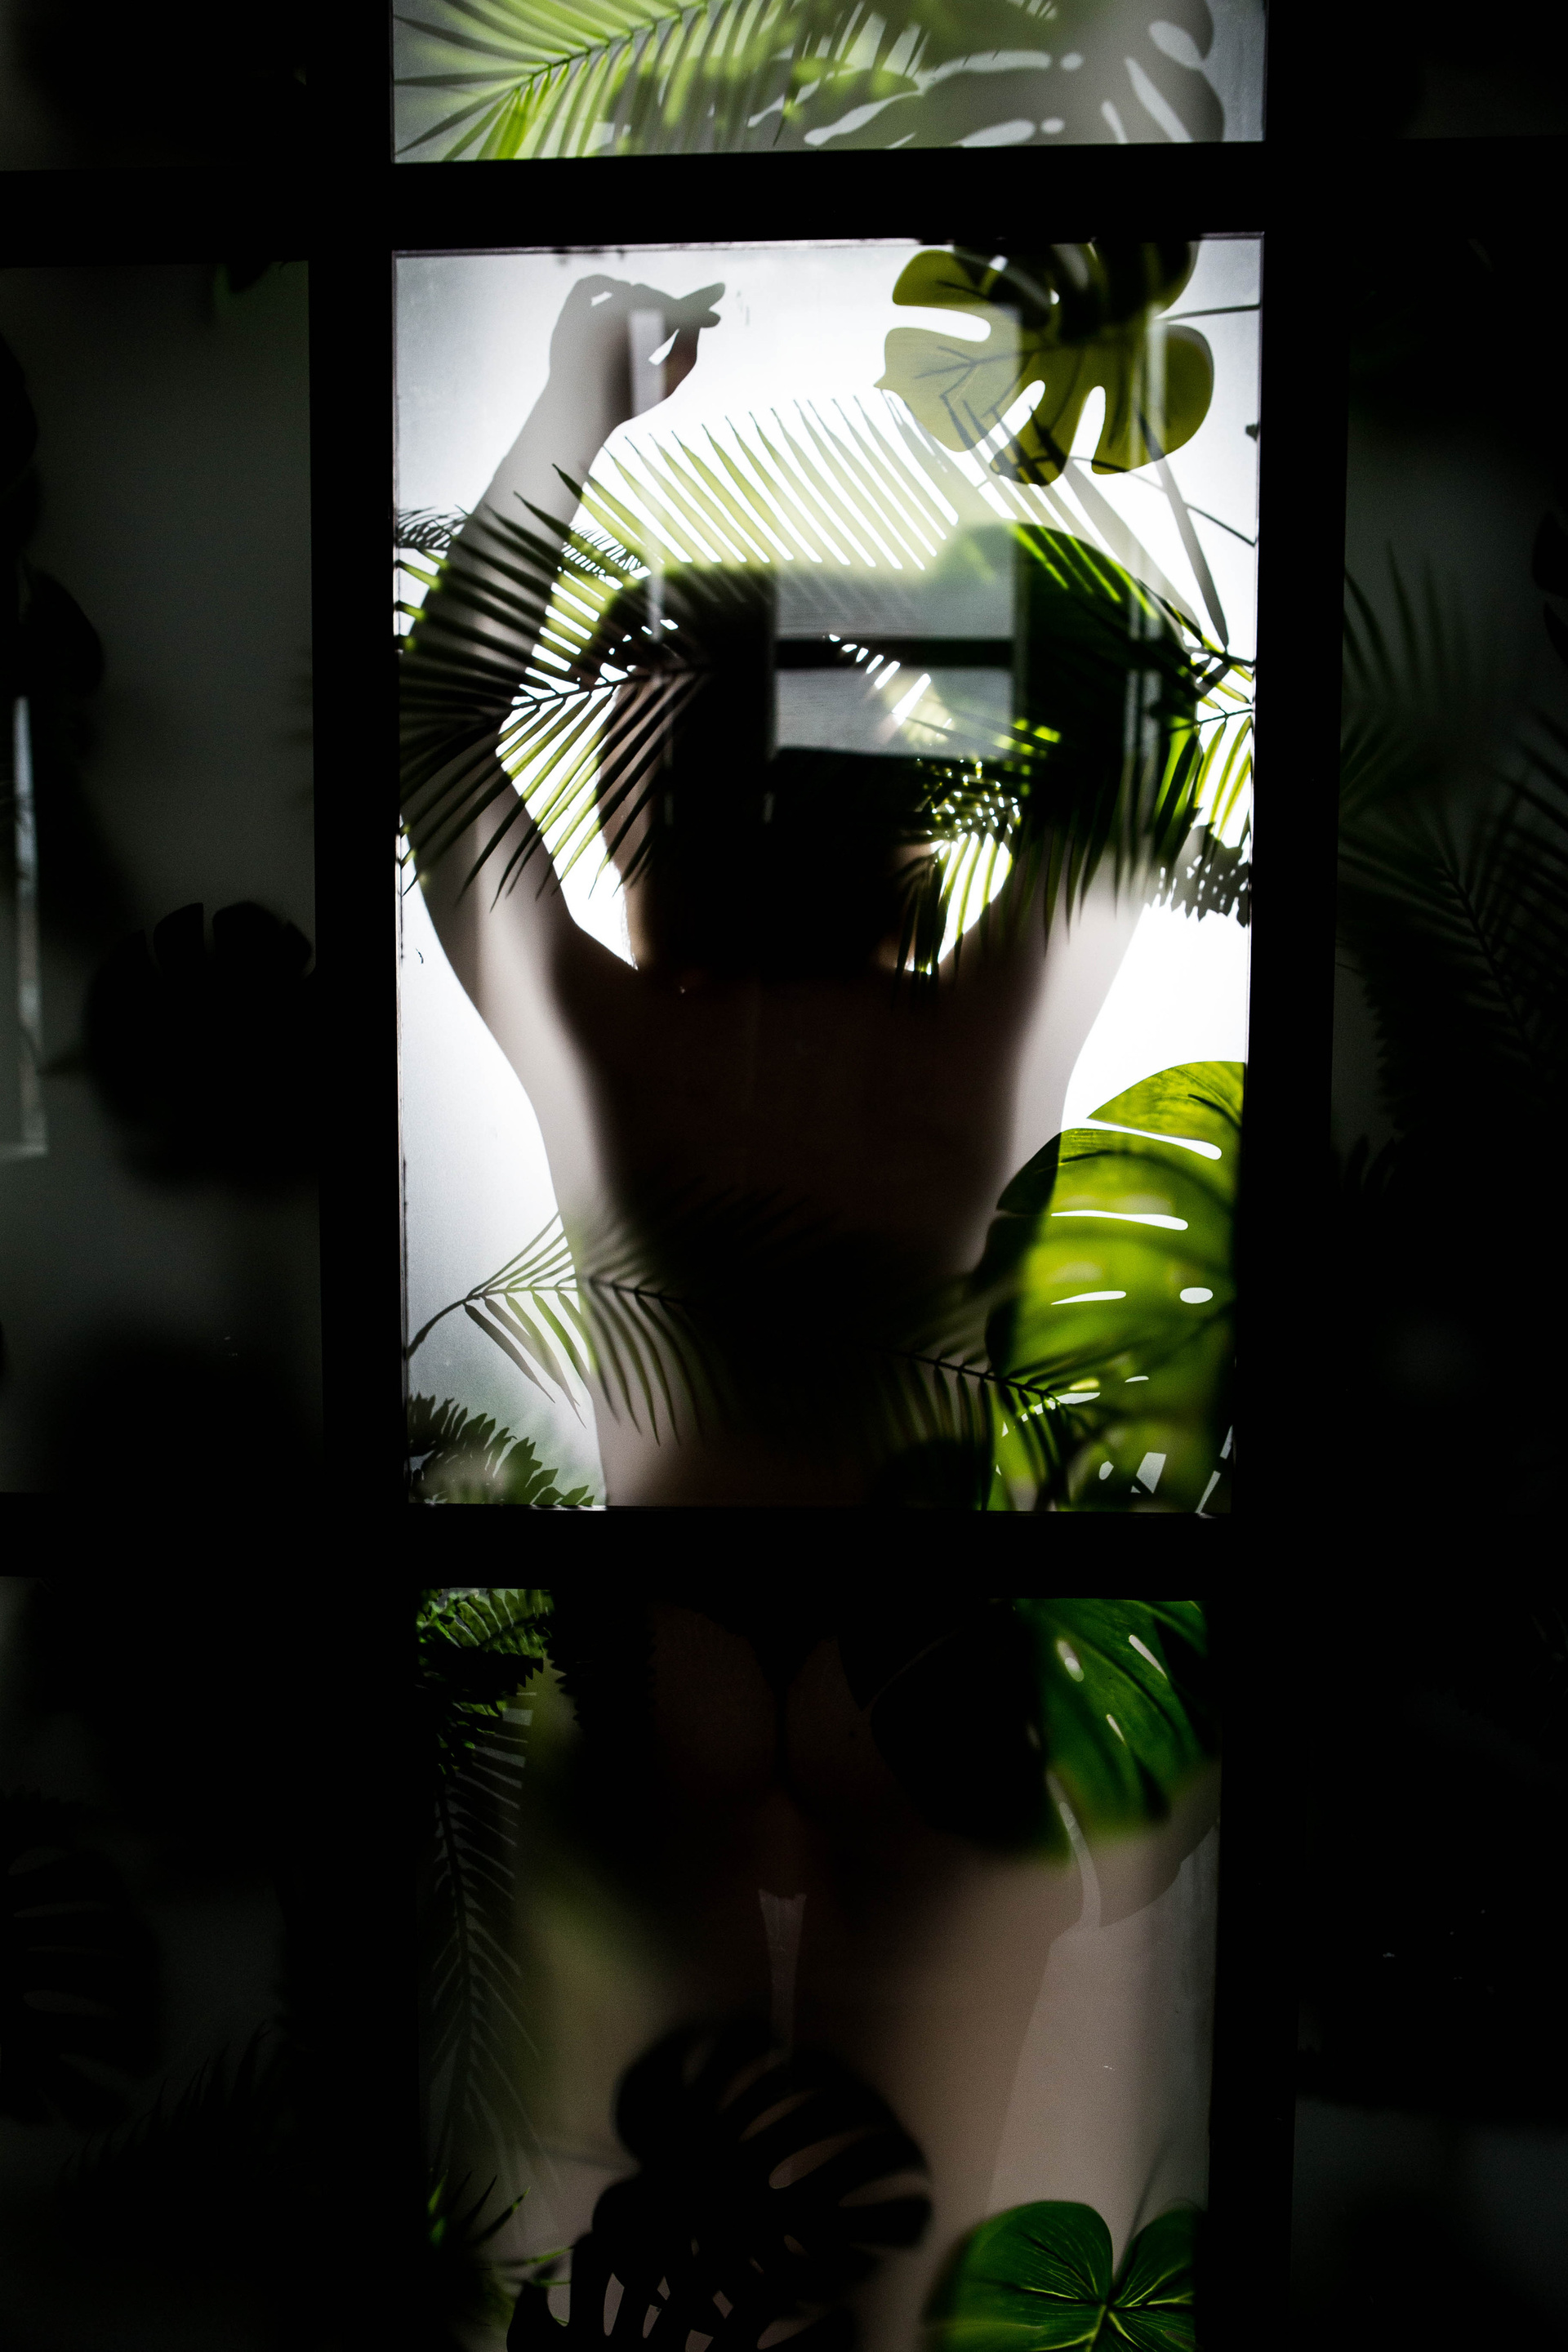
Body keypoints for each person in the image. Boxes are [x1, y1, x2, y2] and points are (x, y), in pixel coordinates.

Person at [400, 270, 1200, 1506]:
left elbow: (435, 733)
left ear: (644, 836)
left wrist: (577, 410)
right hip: (918, 1626)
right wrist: (877, 620)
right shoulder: (977, 1038)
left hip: (677, 1617)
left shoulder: (626, 1056)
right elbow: (1148, 715)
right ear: (899, 805)